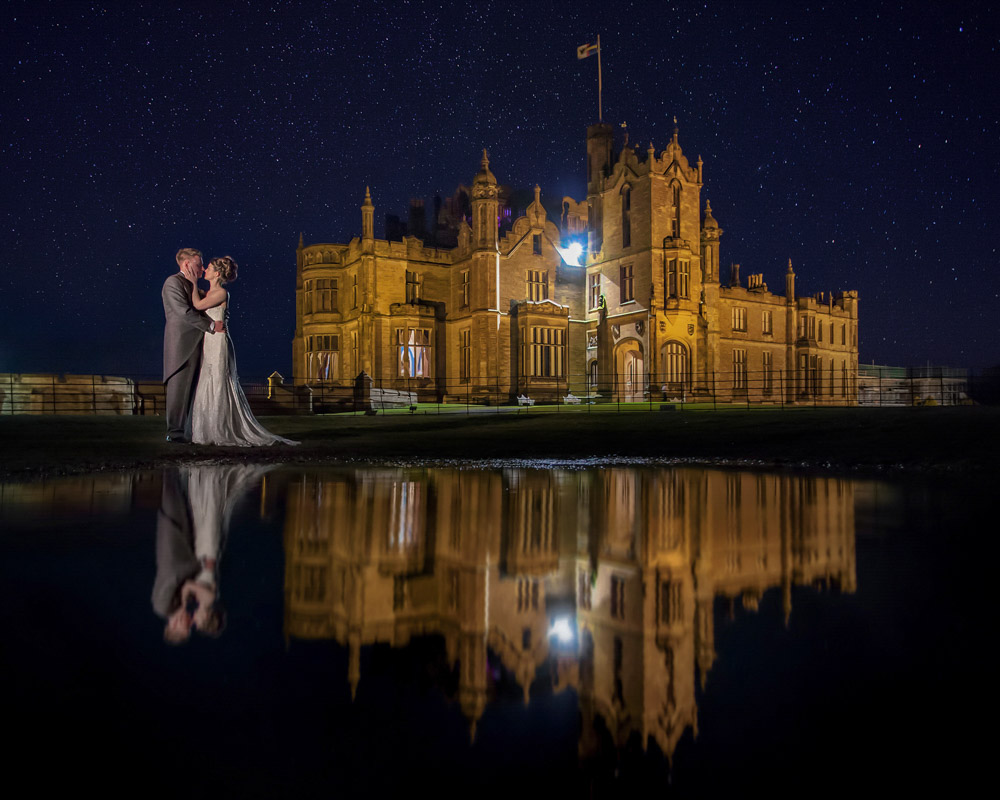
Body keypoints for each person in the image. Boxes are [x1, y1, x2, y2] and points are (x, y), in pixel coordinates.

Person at [188, 255, 298, 446]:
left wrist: (191, 282)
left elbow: (197, 306)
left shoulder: (221, 293)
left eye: (209, 267)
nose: (205, 269)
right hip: (210, 339)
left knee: (219, 380)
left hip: (219, 342)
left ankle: (220, 429)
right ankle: (207, 429)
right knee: (208, 379)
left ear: (217, 273)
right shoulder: (210, 293)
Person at [162, 248, 224, 443]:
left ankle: (191, 432)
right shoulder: (173, 283)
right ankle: (175, 433)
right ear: (186, 265)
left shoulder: (192, 285)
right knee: (179, 390)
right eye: (199, 264)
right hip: (182, 346)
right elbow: (184, 313)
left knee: (195, 391)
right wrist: (212, 325)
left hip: (200, 344)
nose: (203, 268)